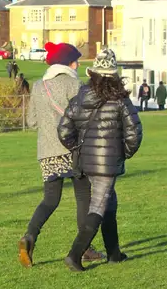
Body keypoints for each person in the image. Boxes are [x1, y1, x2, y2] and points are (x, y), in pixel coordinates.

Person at [58, 51, 142, 270]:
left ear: (93, 74)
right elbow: (134, 134)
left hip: (84, 161)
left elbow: (64, 131)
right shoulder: (121, 100)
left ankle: (114, 254)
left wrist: (79, 148)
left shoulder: (80, 97)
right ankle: (74, 255)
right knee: (98, 207)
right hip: (107, 165)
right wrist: (121, 153)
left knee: (109, 206)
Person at [20, 42, 100, 267]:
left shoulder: (38, 86)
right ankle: (84, 248)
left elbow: (32, 121)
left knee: (50, 199)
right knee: (83, 196)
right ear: (69, 63)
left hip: (46, 152)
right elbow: (86, 117)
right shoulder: (74, 84)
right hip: (73, 150)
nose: (78, 64)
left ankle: (30, 236)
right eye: (76, 60)